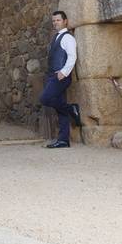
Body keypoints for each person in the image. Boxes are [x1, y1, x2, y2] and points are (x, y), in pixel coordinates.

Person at [39, 10, 81, 148]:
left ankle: (71, 108)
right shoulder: (56, 37)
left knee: (45, 98)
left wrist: (64, 72)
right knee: (59, 106)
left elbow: (72, 56)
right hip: (53, 76)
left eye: (58, 20)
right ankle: (63, 140)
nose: (55, 23)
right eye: (53, 21)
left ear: (65, 21)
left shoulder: (68, 37)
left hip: (61, 76)